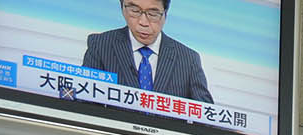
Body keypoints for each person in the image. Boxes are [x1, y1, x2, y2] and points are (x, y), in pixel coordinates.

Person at [83, 0, 213, 103]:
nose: (143, 22)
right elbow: (84, 99)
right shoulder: (100, 45)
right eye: (134, 11)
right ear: (122, 8)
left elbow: (206, 116)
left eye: (153, 14)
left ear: (165, 14)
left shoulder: (188, 59)